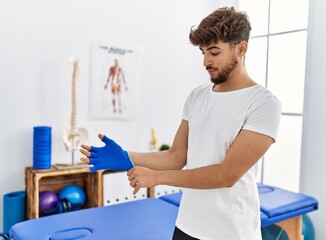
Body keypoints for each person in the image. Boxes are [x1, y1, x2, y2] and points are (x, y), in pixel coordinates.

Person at [80, 6, 281, 240]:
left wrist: (157, 178)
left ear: (241, 49)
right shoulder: (197, 96)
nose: (206, 61)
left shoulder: (263, 103)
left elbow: (226, 175)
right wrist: (125, 157)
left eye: (214, 52)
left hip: (231, 232)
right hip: (187, 226)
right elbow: (176, 157)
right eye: (203, 52)